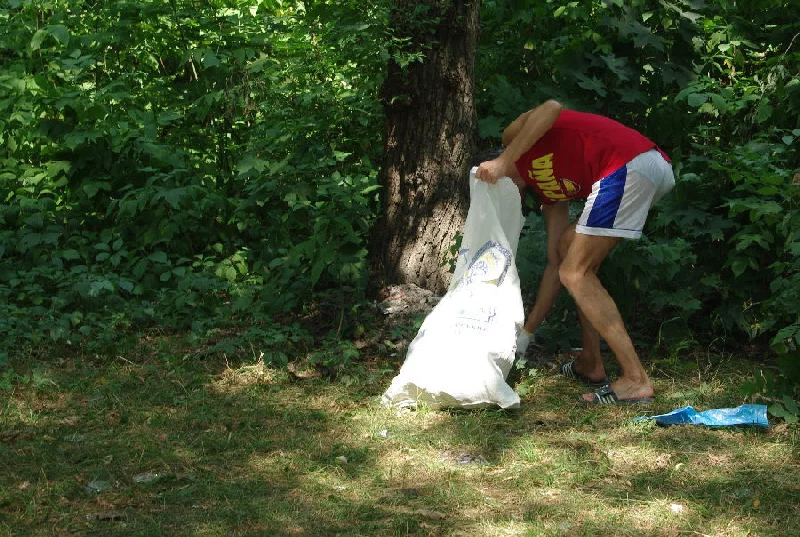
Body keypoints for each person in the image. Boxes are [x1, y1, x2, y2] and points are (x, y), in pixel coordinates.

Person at [475, 100, 675, 404]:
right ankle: (591, 362)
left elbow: (551, 108)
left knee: (576, 272)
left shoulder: (513, 140)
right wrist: (526, 334)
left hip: (629, 162)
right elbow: (555, 265)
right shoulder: (548, 193)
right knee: (569, 256)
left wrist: (504, 161)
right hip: (635, 170)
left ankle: (636, 380)